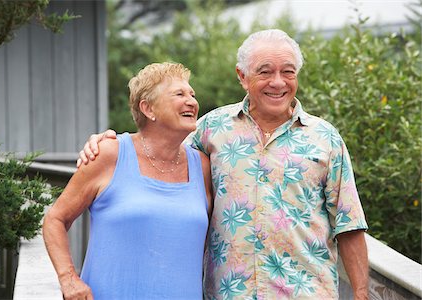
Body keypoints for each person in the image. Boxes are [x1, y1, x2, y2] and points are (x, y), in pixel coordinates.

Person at [77, 29, 369, 299]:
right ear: (242, 76)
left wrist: (361, 293)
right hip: (228, 294)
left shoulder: (325, 139)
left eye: (287, 72)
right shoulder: (210, 129)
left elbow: (349, 225)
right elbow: (156, 153)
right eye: (265, 72)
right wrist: (108, 141)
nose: (278, 82)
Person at [43, 62, 213, 300]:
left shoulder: (203, 167)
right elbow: (55, 219)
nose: (192, 101)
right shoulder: (108, 155)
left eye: (192, 94)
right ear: (148, 108)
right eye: (179, 94)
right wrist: (69, 279)